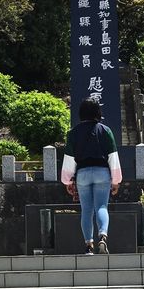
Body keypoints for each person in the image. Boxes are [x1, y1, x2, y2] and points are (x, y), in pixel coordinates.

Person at [61, 97, 122, 254]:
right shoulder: (105, 130)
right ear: (98, 112)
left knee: (86, 210)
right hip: (102, 172)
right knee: (101, 206)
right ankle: (103, 236)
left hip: (82, 174)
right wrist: (116, 181)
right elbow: (112, 157)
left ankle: (89, 246)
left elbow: (69, 159)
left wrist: (67, 181)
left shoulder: (73, 133)